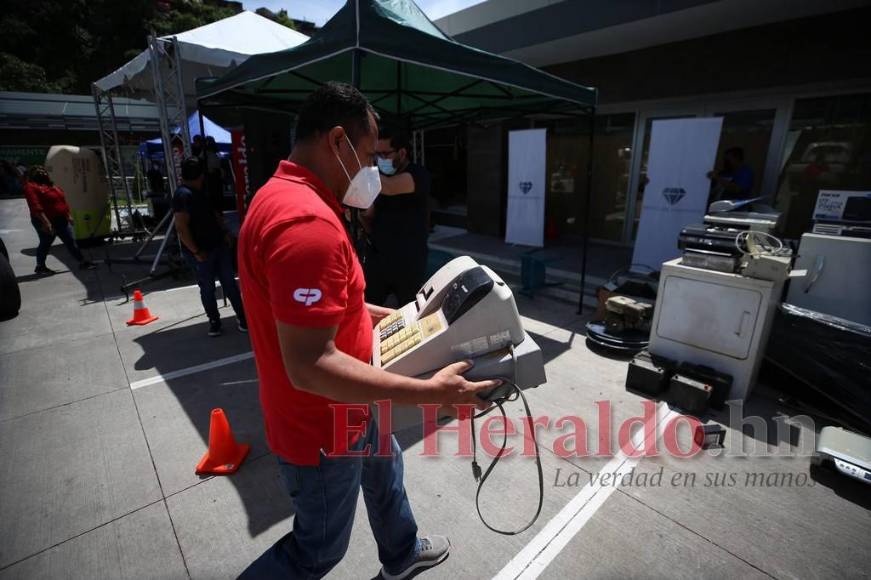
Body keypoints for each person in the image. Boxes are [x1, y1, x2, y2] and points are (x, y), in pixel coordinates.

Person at [236, 82, 499, 580]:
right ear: (337, 142)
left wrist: (387, 316)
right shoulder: (304, 224)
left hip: (353, 406)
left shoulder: (285, 193)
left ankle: (401, 553)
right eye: (367, 155)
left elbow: (334, 307)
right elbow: (312, 366)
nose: (372, 170)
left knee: (385, 472)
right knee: (318, 549)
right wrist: (430, 394)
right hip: (323, 426)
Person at [172, 157, 246, 336]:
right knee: (208, 287)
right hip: (202, 252)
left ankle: (241, 317)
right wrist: (195, 251)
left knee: (228, 283)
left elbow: (214, 215)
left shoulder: (199, 192)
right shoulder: (182, 195)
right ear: (200, 176)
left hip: (217, 246)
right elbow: (181, 228)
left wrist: (226, 232)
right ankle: (215, 321)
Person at [363, 126, 431, 306]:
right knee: (368, 309)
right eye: (376, 154)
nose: (380, 159)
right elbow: (369, 215)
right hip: (378, 261)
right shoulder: (379, 179)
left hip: (409, 262)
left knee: (410, 315)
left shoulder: (418, 174)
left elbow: (391, 187)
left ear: (402, 152)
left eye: (385, 154)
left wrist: (360, 167)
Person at [23, 166, 95, 275]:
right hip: (44, 220)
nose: (41, 172)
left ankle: (83, 262)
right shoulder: (31, 187)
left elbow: (62, 202)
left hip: (61, 220)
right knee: (46, 243)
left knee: (70, 240)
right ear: (31, 175)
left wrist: (68, 215)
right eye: (37, 171)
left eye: (43, 170)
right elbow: (35, 206)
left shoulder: (53, 187)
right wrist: (46, 222)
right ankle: (40, 266)